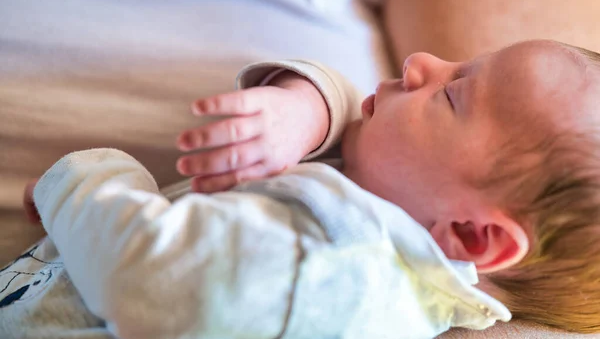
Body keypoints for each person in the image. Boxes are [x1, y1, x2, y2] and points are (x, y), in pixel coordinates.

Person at [7, 39, 600, 338]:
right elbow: (353, 121)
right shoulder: (395, 211)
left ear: (473, 232)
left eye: (452, 94)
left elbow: (137, 275)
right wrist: (304, 108)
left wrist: (88, 176)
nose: (422, 60)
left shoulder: (326, 273)